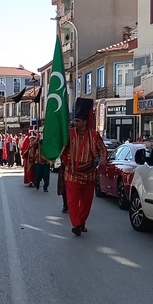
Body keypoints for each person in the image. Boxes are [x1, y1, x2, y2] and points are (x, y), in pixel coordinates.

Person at [61, 98, 108, 236]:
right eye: (74, 120)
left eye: (78, 121)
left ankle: (81, 223)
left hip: (89, 174)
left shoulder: (94, 135)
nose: (75, 123)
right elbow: (62, 147)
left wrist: (103, 160)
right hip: (72, 172)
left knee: (86, 203)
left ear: (85, 122)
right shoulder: (69, 133)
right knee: (72, 201)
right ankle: (76, 225)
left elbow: (103, 150)